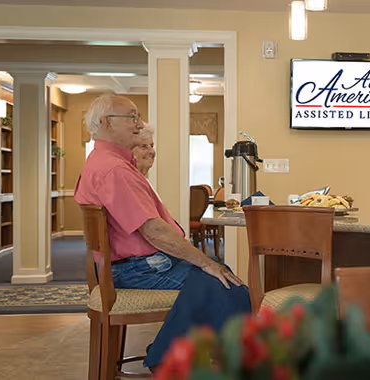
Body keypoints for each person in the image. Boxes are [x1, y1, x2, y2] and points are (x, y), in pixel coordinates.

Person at [74, 95, 251, 372]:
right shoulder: (114, 169)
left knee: (223, 275)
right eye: (132, 117)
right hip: (137, 270)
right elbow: (154, 231)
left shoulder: (104, 161)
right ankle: (183, 361)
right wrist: (205, 261)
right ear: (108, 122)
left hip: (130, 266)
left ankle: (169, 355)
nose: (139, 123)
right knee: (231, 287)